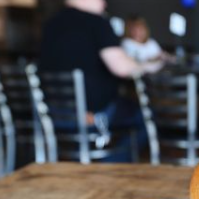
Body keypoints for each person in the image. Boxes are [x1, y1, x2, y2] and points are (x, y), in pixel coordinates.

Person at [39, 0, 162, 161]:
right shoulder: (97, 23)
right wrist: (150, 66)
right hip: (94, 115)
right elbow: (122, 68)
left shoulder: (50, 25)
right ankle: (109, 167)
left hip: (53, 114)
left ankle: (91, 165)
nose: (105, 3)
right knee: (148, 116)